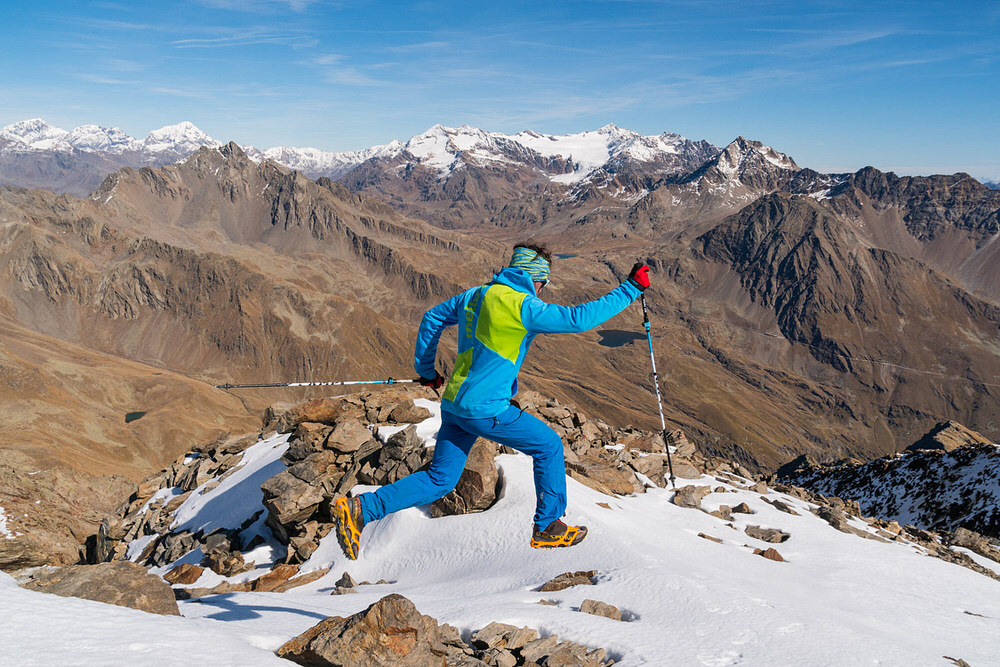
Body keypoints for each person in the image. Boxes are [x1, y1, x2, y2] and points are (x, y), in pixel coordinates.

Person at [331, 243, 651, 559]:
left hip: (455, 405)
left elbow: (432, 318)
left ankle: (363, 509)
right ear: (535, 278)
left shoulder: (476, 295)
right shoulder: (523, 306)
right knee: (549, 446)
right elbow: (579, 319)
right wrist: (631, 288)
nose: (543, 289)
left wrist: (426, 371)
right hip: (485, 410)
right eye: (545, 282)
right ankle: (548, 525)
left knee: (440, 480)